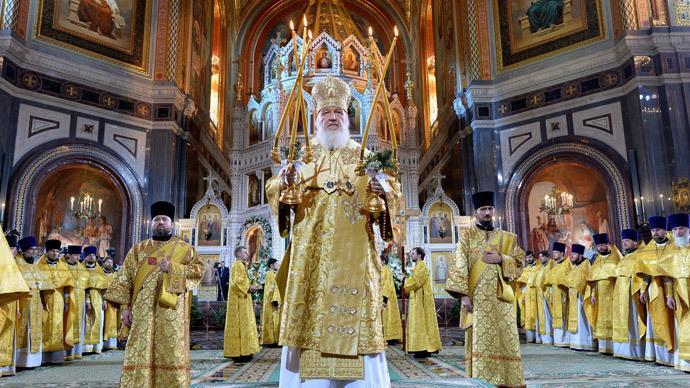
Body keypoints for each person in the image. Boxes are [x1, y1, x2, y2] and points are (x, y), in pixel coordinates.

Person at [266, 76, 400, 386]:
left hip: (355, 260)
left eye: (338, 112)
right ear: (316, 119)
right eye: (325, 113)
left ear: (347, 117)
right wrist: (285, 183)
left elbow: (392, 193)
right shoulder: (302, 158)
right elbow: (276, 192)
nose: (332, 117)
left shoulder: (364, 155)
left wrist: (383, 190)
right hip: (311, 266)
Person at [104, 201, 203, 387]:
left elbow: (198, 272)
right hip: (141, 313)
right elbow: (125, 279)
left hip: (171, 312)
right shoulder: (138, 250)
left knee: (171, 352)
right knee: (140, 349)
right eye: (157, 219)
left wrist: (173, 268)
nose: (160, 222)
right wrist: (124, 308)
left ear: (171, 224)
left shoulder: (185, 249)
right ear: (151, 223)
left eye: (164, 219)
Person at [445, 191, 525, 387]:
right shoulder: (467, 237)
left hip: (502, 299)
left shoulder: (507, 238)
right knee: (481, 340)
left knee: (506, 338)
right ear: (476, 213)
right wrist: (464, 296)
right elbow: (458, 266)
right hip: (478, 300)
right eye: (483, 209)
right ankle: (484, 381)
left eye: (490, 209)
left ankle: (509, 381)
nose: (487, 212)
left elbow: (520, 264)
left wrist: (502, 259)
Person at [635, 216, 675, 365]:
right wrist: (643, 290)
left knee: (671, 320)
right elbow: (645, 273)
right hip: (653, 289)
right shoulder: (647, 250)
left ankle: (673, 355)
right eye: (652, 230)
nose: (655, 233)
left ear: (665, 230)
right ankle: (660, 356)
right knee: (655, 320)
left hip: (673, 288)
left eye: (658, 230)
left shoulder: (674, 246)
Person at [655, 213, 690, 372]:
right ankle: (685, 362)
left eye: (681, 228)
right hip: (679, 293)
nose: (677, 232)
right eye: (675, 229)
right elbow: (668, 277)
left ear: (688, 229)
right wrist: (668, 295)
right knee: (682, 326)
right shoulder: (671, 251)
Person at [15, 236, 53, 369]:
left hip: (36, 301)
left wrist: (44, 300)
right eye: (31, 250)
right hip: (23, 301)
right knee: (24, 329)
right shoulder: (17, 264)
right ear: (24, 251)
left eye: (35, 249)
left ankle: (33, 361)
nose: (33, 252)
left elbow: (43, 285)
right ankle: (20, 360)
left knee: (35, 328)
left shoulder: (34, 265)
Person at [36, 239, 75, 364]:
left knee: (58, 325)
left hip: (59, 299)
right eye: (52, 251)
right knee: (44, 324)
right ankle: (42, 357)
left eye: (57, 251)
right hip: (43, 299)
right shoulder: (39, 266)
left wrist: (67, 301)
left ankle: (56, 358)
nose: (55, 253)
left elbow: (68, 286)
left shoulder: (63, 267)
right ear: (47, 252)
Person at [584, 233, 621, 354]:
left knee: (613, 318)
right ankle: (605, 347)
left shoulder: (616, 258)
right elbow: (593, 280)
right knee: (601, 319)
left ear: (607, 245)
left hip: (612, 294)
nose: (600, 248)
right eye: (598, 246)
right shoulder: (597, 260)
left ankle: (615, 347)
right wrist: (593, 294)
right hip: (600, 296)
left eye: (602, 245)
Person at [612, 229, 645, 360]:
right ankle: (624, 351)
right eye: (624, 241)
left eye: (628, 241)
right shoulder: (624, 257)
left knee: (632, 319)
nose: (624, 243)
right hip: (620, 292)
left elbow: (642, 274)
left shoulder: (640, 255)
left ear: (635, 243)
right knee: (622, 319)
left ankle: (636, 351)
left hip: (632, 292)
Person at [401, 248, 441, 358]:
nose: (411, 255)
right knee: (418, 323)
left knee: (423, 322)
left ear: (419, 255)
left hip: (422, 300)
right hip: (417, 299)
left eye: (413, 253)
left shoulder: (422, 266)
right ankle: (420, 347)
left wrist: (404, 280)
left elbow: (416, 281)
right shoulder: (418, 267)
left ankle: (425, 348)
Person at [0, 232, 30, 376]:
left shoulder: (14, 264)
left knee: (10, 334)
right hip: (3, 304)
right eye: (12, 248)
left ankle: (7, 367)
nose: (16, 251)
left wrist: (18, 307)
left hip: (12, 304)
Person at [224, 246, 260, 360]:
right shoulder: (237, 265)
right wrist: (249, 288)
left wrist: (250, 287)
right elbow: (236, 283)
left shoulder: (242, 265)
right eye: (245, 252)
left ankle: (246, 351)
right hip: (239, 302)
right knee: (241, 325)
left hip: (244, 299)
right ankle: (241, 353)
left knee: (246, 325)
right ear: (239, 254)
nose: (247, 254)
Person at [566, 243, 596, 351]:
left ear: (580, 255)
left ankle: (586, 343)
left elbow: (590, 279)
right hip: (574, 296)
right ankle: (576, 342)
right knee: (576, 318)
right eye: (571, 253)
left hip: (583, 295)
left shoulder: (586, 264)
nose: (572, 256)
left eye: (574, 253)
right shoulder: (575, 266)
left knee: (583, 318)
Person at [63, 245, 88, 361]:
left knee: (79, 324)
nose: (78, 257)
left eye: (79, 255)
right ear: (69, 255)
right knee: (68, 324)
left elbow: (87, 286)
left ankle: (77, 352)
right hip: (68, 299)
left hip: (80, 299)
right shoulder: (63, 266)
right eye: (75, 255)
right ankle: (66, 352)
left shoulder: (82, 268)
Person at [82, 246, 108, 354]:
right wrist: (87, 301)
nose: (92, 257)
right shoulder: (81, 269)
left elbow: (105, 288)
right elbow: (84, 286)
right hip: (84, 299)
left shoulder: (100, 271)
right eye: (89, 256)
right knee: (86, 322)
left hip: (98, 299)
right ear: (86, 257)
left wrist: (105, 301)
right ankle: (85, 348)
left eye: (93, 255)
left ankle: (96, 347)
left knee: (98, 321)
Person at [546, 242, 571, 347]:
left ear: (562, 253)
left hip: (563, 294)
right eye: (553, 252)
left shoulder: (567, 264)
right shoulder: (553, 265)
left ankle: (565, 340)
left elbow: (569, 278)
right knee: (556, 315)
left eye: (556, 252)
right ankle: (558, 340)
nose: (554, 254)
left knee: (564, 315)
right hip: (555, 294)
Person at [516, 251, 539, 343]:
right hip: (528, 296)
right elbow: (523, 286)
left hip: (537, 295)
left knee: (537, 315)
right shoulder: (525, 269)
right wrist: (523, 297)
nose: (528, 259)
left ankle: (538, 337)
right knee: (528, 315)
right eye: (527, 258)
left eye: (530, 257)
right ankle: (530, 337)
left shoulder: (539, 268)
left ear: (533, 257)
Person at [380, 253, 402, 343]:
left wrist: (384, 298)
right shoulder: (381, 269)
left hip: (387, 297)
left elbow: (387, 285)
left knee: (388, 317)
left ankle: (390, 337)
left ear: (383, 261)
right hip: (382, 296)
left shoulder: (386, 270)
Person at [535, 250, 554, 345]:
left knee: (548, 316)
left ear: (547, 257)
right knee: (542, 317)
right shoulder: (542, 267)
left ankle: (550, 338)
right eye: (539, 257)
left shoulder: (551, 266)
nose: (540, 259)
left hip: (546, 294)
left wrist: (547, 293)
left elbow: (549, 281)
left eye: (542, 257)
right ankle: (544, 339)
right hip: (540, 296)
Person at [261, 258, 281, 347]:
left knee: (275, 320)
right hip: (272, 301)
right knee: (273, 320)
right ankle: (273, 341)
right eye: (276, 264)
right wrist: (275, 299)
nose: (277, 265)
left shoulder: (273, 274)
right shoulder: (270, 274)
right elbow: (271, 288)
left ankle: (275, 340)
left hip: (274, 299)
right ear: (271, 265)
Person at [101, 257, 119, 350]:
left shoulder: (114, 275)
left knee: (111, 321)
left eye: (111, 262)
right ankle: (101, 344)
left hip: (112, 301)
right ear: (103, 263)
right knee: (101, 322)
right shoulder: (99, 274)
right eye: (108, 262)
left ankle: (110, 344)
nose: (110, 264)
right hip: (100, 300)